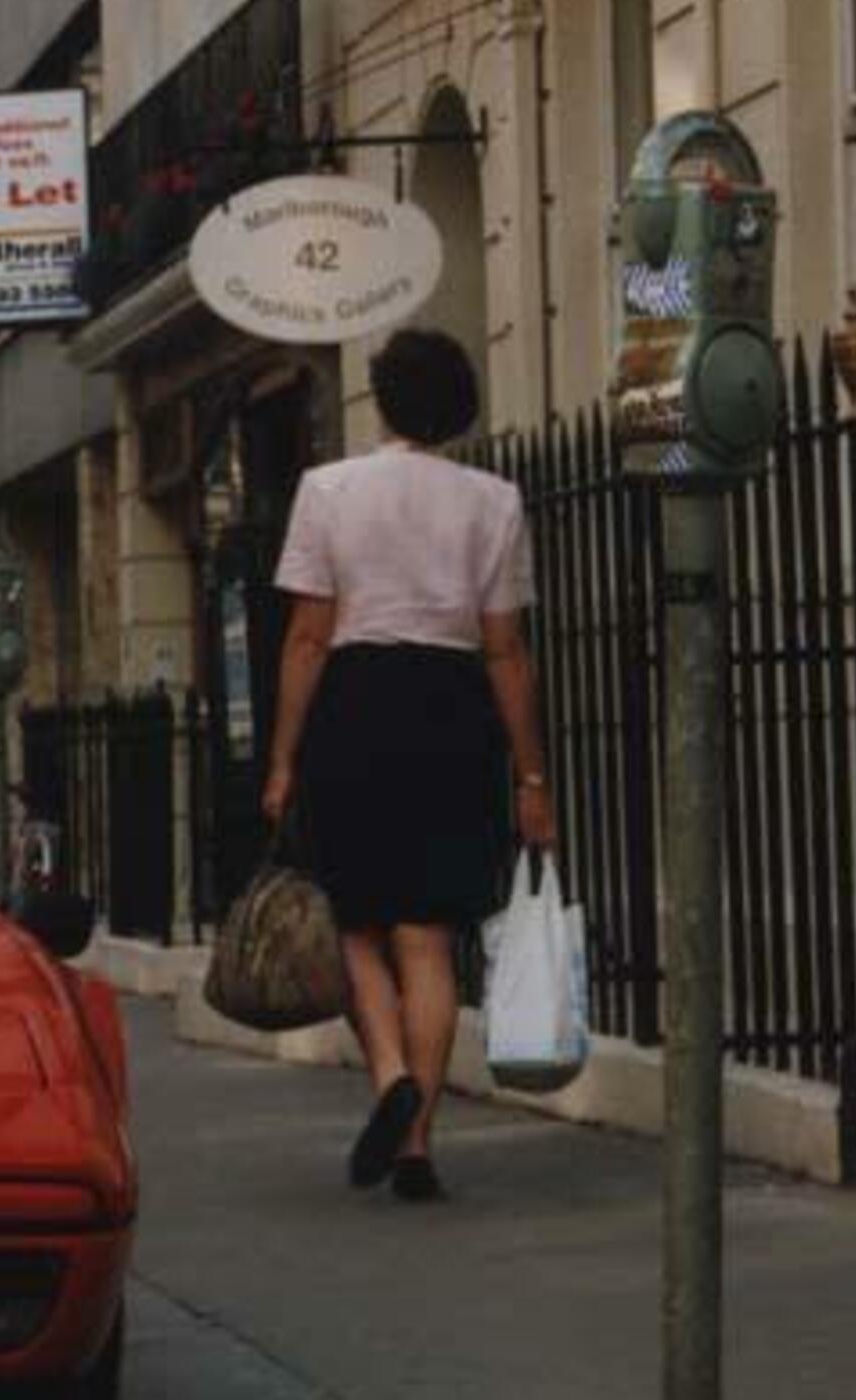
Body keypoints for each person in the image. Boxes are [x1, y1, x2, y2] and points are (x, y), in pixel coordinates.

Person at [263, 327, 556, 1203]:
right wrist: (530, 775)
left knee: (355, 921)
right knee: (427, 935)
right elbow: (507, 652)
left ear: (383, 398)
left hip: (356, 704)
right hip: (452, 706)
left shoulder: (327, 490)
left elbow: (309, 635)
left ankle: (389, 1073)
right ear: (457, 404)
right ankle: (419, 1139)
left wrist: (282, 756)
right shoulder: (495, 501)